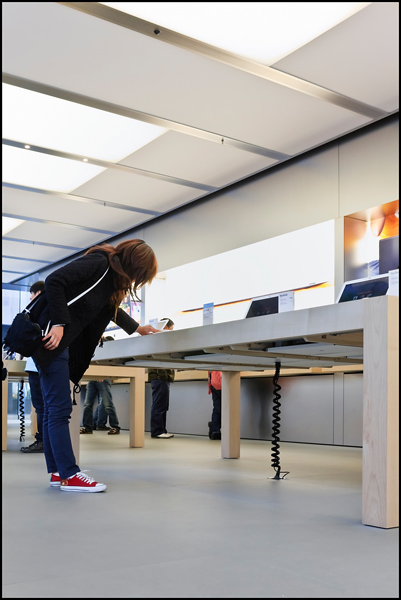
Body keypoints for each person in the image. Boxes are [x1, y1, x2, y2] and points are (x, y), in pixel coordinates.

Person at [29, 239, 159, 493]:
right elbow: (55, 280)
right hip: (53, 339)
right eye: (141, 275)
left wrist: (138, 328)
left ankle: (58, 473)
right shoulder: (100, 262)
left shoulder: (111, 278)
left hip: (59, 343)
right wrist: (58, 323)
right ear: (135, 264)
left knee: (53, 409)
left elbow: (112, 309)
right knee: (59, 409)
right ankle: (69, 474)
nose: (136, 281)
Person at [20, 281, 46, 454]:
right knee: (45, 406)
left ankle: (42, 441)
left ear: (38, 294)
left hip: (38, 366)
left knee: (42, 406)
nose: (30, 297)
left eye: (32, 294)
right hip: (38, 365)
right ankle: (45, 441)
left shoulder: (37, 313)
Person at [148, 318, 175, 439]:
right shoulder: (159, 341)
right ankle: (158, 430)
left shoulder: (156, 341)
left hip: (161, 377)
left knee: (161, 405)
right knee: (159, 405)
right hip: (160, 377)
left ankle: (161, 430)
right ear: (166, 327)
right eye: (171, 329)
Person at [208, 371, 222, 440]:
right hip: (221, 382)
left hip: (214, 383)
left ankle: (215, 429)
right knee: (223, 409)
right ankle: (215, 429)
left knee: (217, 408)